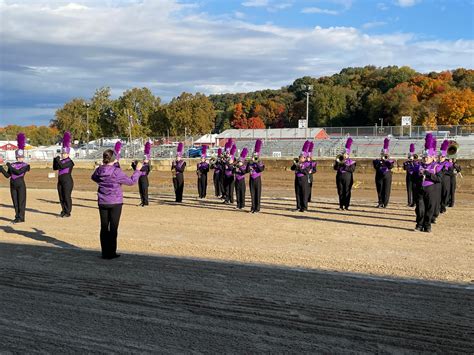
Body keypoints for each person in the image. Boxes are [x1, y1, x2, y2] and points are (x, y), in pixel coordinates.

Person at [91, 149, 142, 259]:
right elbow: (131, 182)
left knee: (104, 227)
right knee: (113, 228)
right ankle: (111, 252)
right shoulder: (116, 171)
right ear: (114, 159)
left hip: (103, 201)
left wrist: (102, 181)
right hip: (115, 201)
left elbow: (94, 177)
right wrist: (137, 171)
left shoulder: (100, 169)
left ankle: (105, 252)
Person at [413, 134, 442, 233]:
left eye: (428, 157)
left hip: (431, 190)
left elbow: (439, 179)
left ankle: (427, 225)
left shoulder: (436, 166)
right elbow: (413, 177)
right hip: (420, 189)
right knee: (420, 209)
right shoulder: (418, 165)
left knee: (429, 209)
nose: (425, 159)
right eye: (424, 157)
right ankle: (419, 225)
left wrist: (428, 174)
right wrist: (418, 176)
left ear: (432, 157)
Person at [0, 133, 30, 223]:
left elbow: (18, 172)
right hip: (12, 184)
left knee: (21, 201)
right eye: (19, 157)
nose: (20, 158)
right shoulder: (13, 164)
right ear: (16, 156)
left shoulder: (26, 165)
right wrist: (1, 169)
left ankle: (21, 217)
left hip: (20, 184)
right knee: (15, 202)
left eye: (21, 157)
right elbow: (8, 176)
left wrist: (9, 166)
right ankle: (17, 216)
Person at [53, 131, 75, 217]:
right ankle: (63, 210)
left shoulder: (70, 161)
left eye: (65, 153)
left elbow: (62, 166)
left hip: (67, 181)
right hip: (60, 181)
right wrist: (55, 160)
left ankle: (68, 212)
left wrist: (58, 160)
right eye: (62, 153)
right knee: (61, 197)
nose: (63, 154)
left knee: (66, 196)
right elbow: (55, 168)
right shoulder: (61, 160)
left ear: (68, 154)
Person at [334, 137, 356, 211]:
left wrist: (345, 165)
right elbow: (335, 168)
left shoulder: (352, 162)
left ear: (348, 155)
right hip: (339, 177)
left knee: (347, 191)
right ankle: (341, 206)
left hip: (348, 178)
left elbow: (352, 170)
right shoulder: (339, 160)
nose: (344, 155)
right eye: (344, 154)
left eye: (346, 154)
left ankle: (346, 205)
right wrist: (338, 163)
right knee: (340, 191)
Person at [373, 138, 395, 208]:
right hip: (379, 176)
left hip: (387, 176)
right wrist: (381, 161)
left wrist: (386, 160)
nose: (384, 155)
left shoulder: (390, 161)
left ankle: (385, 203)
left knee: (387, 189)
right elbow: (376, 167)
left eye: (385, 154)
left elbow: (391, 166)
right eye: (383, 154)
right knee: (380, 189)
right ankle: (380, 202)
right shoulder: (377, 161)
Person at [291, 141, 311, 212]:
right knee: (298, 193)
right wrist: (295, 164)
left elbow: (306, 172)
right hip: (297, 179)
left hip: (304, 179)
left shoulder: (307, 164)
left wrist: (299, 167)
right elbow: (292, 168)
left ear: (305, 158)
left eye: (301, 157)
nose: (300, 158)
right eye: (299, 157)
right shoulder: (297, 163)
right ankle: (298, 206)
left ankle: (304, 207)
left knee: (304, 193)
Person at [247, 139, 265, 213]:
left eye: (255, 156)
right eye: (253, 155)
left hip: (257, 179)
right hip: (251, 179)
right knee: (252, 194)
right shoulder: (250, 162)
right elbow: (247, 170)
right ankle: (252, 207)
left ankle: (257, 208)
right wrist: (249, 163)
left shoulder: (260, 162)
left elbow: (261, 169)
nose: (254, 157)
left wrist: (256, 163)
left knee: (257, 194)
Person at [132, 141, 151, 207]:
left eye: (145, 159)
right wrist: (133, 164)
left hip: (144, 178)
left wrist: (138, 164)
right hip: (140, 177)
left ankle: (146, 203)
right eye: (144, 158)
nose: (144, 160)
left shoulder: (147, 165)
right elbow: (136, 169)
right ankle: (142, 201)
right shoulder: (142, 164)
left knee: (144, 191)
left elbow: (142, 169)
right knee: (141, 190)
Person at [438, 140, 452, 214]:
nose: (440, 157)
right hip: (439, 181)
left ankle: (443, 205)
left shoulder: (448, 163)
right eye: (439, 156)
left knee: (446, 194)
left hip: (446, 181)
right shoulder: (436, 164)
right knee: (439, 194)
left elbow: (451, 172)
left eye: (442, 156)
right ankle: (441, 207)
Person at [402, 143, 418, 207]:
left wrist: (413, 162)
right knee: (409, 190)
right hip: (409, 177)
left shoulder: (416, 162)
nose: (410, 158)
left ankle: (414, 202)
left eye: (411, 157)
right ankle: (409, 202)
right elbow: (405, 168)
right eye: (409, 157)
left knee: (414, 190)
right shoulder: (406, 163)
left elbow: (417, 168)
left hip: (414, 178)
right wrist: (409, 162)